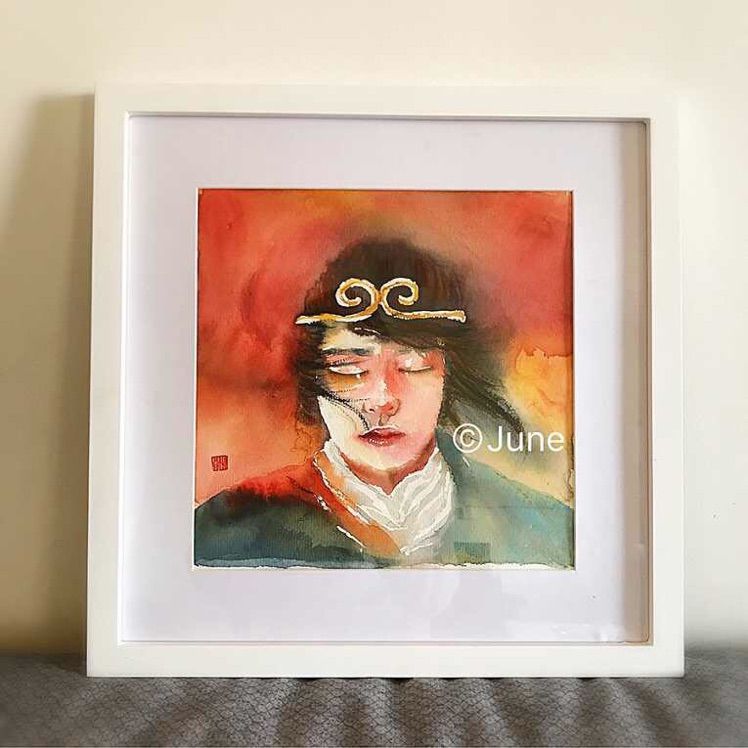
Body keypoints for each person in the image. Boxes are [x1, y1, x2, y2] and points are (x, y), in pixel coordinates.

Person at [194, 238, 573, 568]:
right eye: (349, 368)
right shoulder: (226, 529)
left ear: (450, 378)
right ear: (314, 379)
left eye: (413, 366)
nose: (382, 400)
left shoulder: (543, 527)